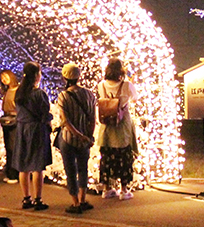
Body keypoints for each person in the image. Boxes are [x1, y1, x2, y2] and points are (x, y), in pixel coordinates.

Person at [55, 63, 96, 214]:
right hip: (85, 139)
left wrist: (77, 134)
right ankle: (83, 199)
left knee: (70, 170)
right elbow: (93, 118)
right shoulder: (89, 94)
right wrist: (88, 136)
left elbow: (65, 121)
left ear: (64, 77)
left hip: (68, 138)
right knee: (83, 168)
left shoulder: (63, 96)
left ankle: (75, 202)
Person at [96, 58, 138, 200]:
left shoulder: (101, 85)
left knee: (107, 156)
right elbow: (135, 98)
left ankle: (107, 188)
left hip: (107, 124)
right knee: (124, 156)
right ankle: (124, 189)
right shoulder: (126, 85)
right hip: (122, 125)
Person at [13, 62, 52, 211]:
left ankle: (26, 198)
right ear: (36, 75)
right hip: (36, 130)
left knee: (23, 166)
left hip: (22, 129)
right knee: (37, 166)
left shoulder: (19, 92)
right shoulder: (39, 93)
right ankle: (38, 199)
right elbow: (44, 114)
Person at [0, 70, 20, 184]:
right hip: (7, 120)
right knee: (8, 147)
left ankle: (14, 174)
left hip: (14, 121)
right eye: (2, 77)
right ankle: (10, 172)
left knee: (13, 147)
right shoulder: (6, 91)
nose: (3, 79)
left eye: (5, 77)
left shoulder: (18, 90)